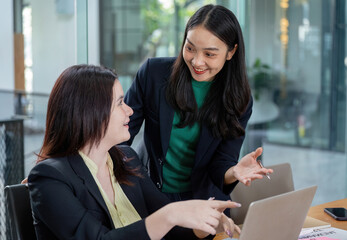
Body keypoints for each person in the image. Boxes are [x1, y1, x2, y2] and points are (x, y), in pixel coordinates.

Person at [27, 65, 241, 240]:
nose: (129, 110)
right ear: (91, 113)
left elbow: (173, 228)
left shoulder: (127, 159)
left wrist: (206, 223)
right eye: (120, 103)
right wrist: (171, 214)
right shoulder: (50, 178)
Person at [123, 4, 273, 204]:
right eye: (190, 48)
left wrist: (234, 171)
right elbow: (120, 135)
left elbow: (221, 164)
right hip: (149, 192)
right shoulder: (153, 74)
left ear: (231, 52)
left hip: (201, 201)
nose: (196, 61)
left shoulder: (239, 100)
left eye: (209, 54)